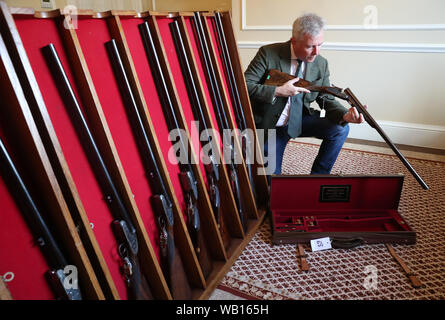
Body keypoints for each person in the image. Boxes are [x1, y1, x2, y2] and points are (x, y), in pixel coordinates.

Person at [245, 13, 365, 176]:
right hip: (271, 126)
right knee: (271, 186)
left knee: (340, 129)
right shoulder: (268, 53)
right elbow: (244, 86)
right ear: (294, 41)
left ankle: (318, 178)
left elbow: (325, 98)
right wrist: (278, 91)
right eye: (310, 46)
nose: (316, 52)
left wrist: (344, 115)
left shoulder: (321, 63)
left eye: (320, 45)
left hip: (299, 120)